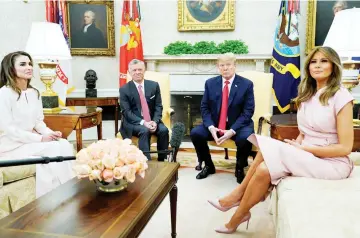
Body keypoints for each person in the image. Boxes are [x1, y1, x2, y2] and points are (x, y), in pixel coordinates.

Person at [208, 46, 354, 234]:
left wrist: (304, 149)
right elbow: (305, 131)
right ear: (308, 67)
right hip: (308, 154)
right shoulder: (307, 94)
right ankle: (239, 215)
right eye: (313, 62)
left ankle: (236, 199)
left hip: (332, 162)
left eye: (324, 61)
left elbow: (345, 148)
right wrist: (299, 146)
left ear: (334, 66)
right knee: (263, 168)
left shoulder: (341, 96)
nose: (317, 66)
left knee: (268, 147)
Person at [0, 51, 75, 198]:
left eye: (29, 64)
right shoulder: (3, 94)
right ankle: (52, 197)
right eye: (23, 64)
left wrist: (50, 134)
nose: (29, 67)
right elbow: (8, 129)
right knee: (52, 149)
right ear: (11, 69)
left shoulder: (34, 93)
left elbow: (38, 122)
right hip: (9, 147)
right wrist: (40, 139)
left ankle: (71, 188)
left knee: (64, 143)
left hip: (28, 143)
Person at [190, 53, 254, 183]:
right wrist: (211, 127)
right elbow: (204, 107)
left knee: (245, 138)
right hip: (216, 124)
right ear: (218, 67)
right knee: (196, 133)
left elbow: (248, 112)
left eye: (228, 65)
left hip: (238, 125)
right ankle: (209, 165)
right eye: (222, 65)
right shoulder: (210, 83)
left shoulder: (246, 84)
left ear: (235, 66)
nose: (225, 68)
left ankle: (239, 167)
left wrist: (232, 130)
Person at [119, 59, 169, 161]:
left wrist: (155, 121)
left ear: (144, 70)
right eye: (134, 70)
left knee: (164, 130)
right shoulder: (124, 89)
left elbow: (158, 106)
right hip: (133, 122)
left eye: (140, 69)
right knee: (144, 130)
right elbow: (127, 112)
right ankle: (146, 161)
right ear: (129, 72)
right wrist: (143, 122)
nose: (137, 72)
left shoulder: (154, 85)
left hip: (151, 119)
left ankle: (162, 160)